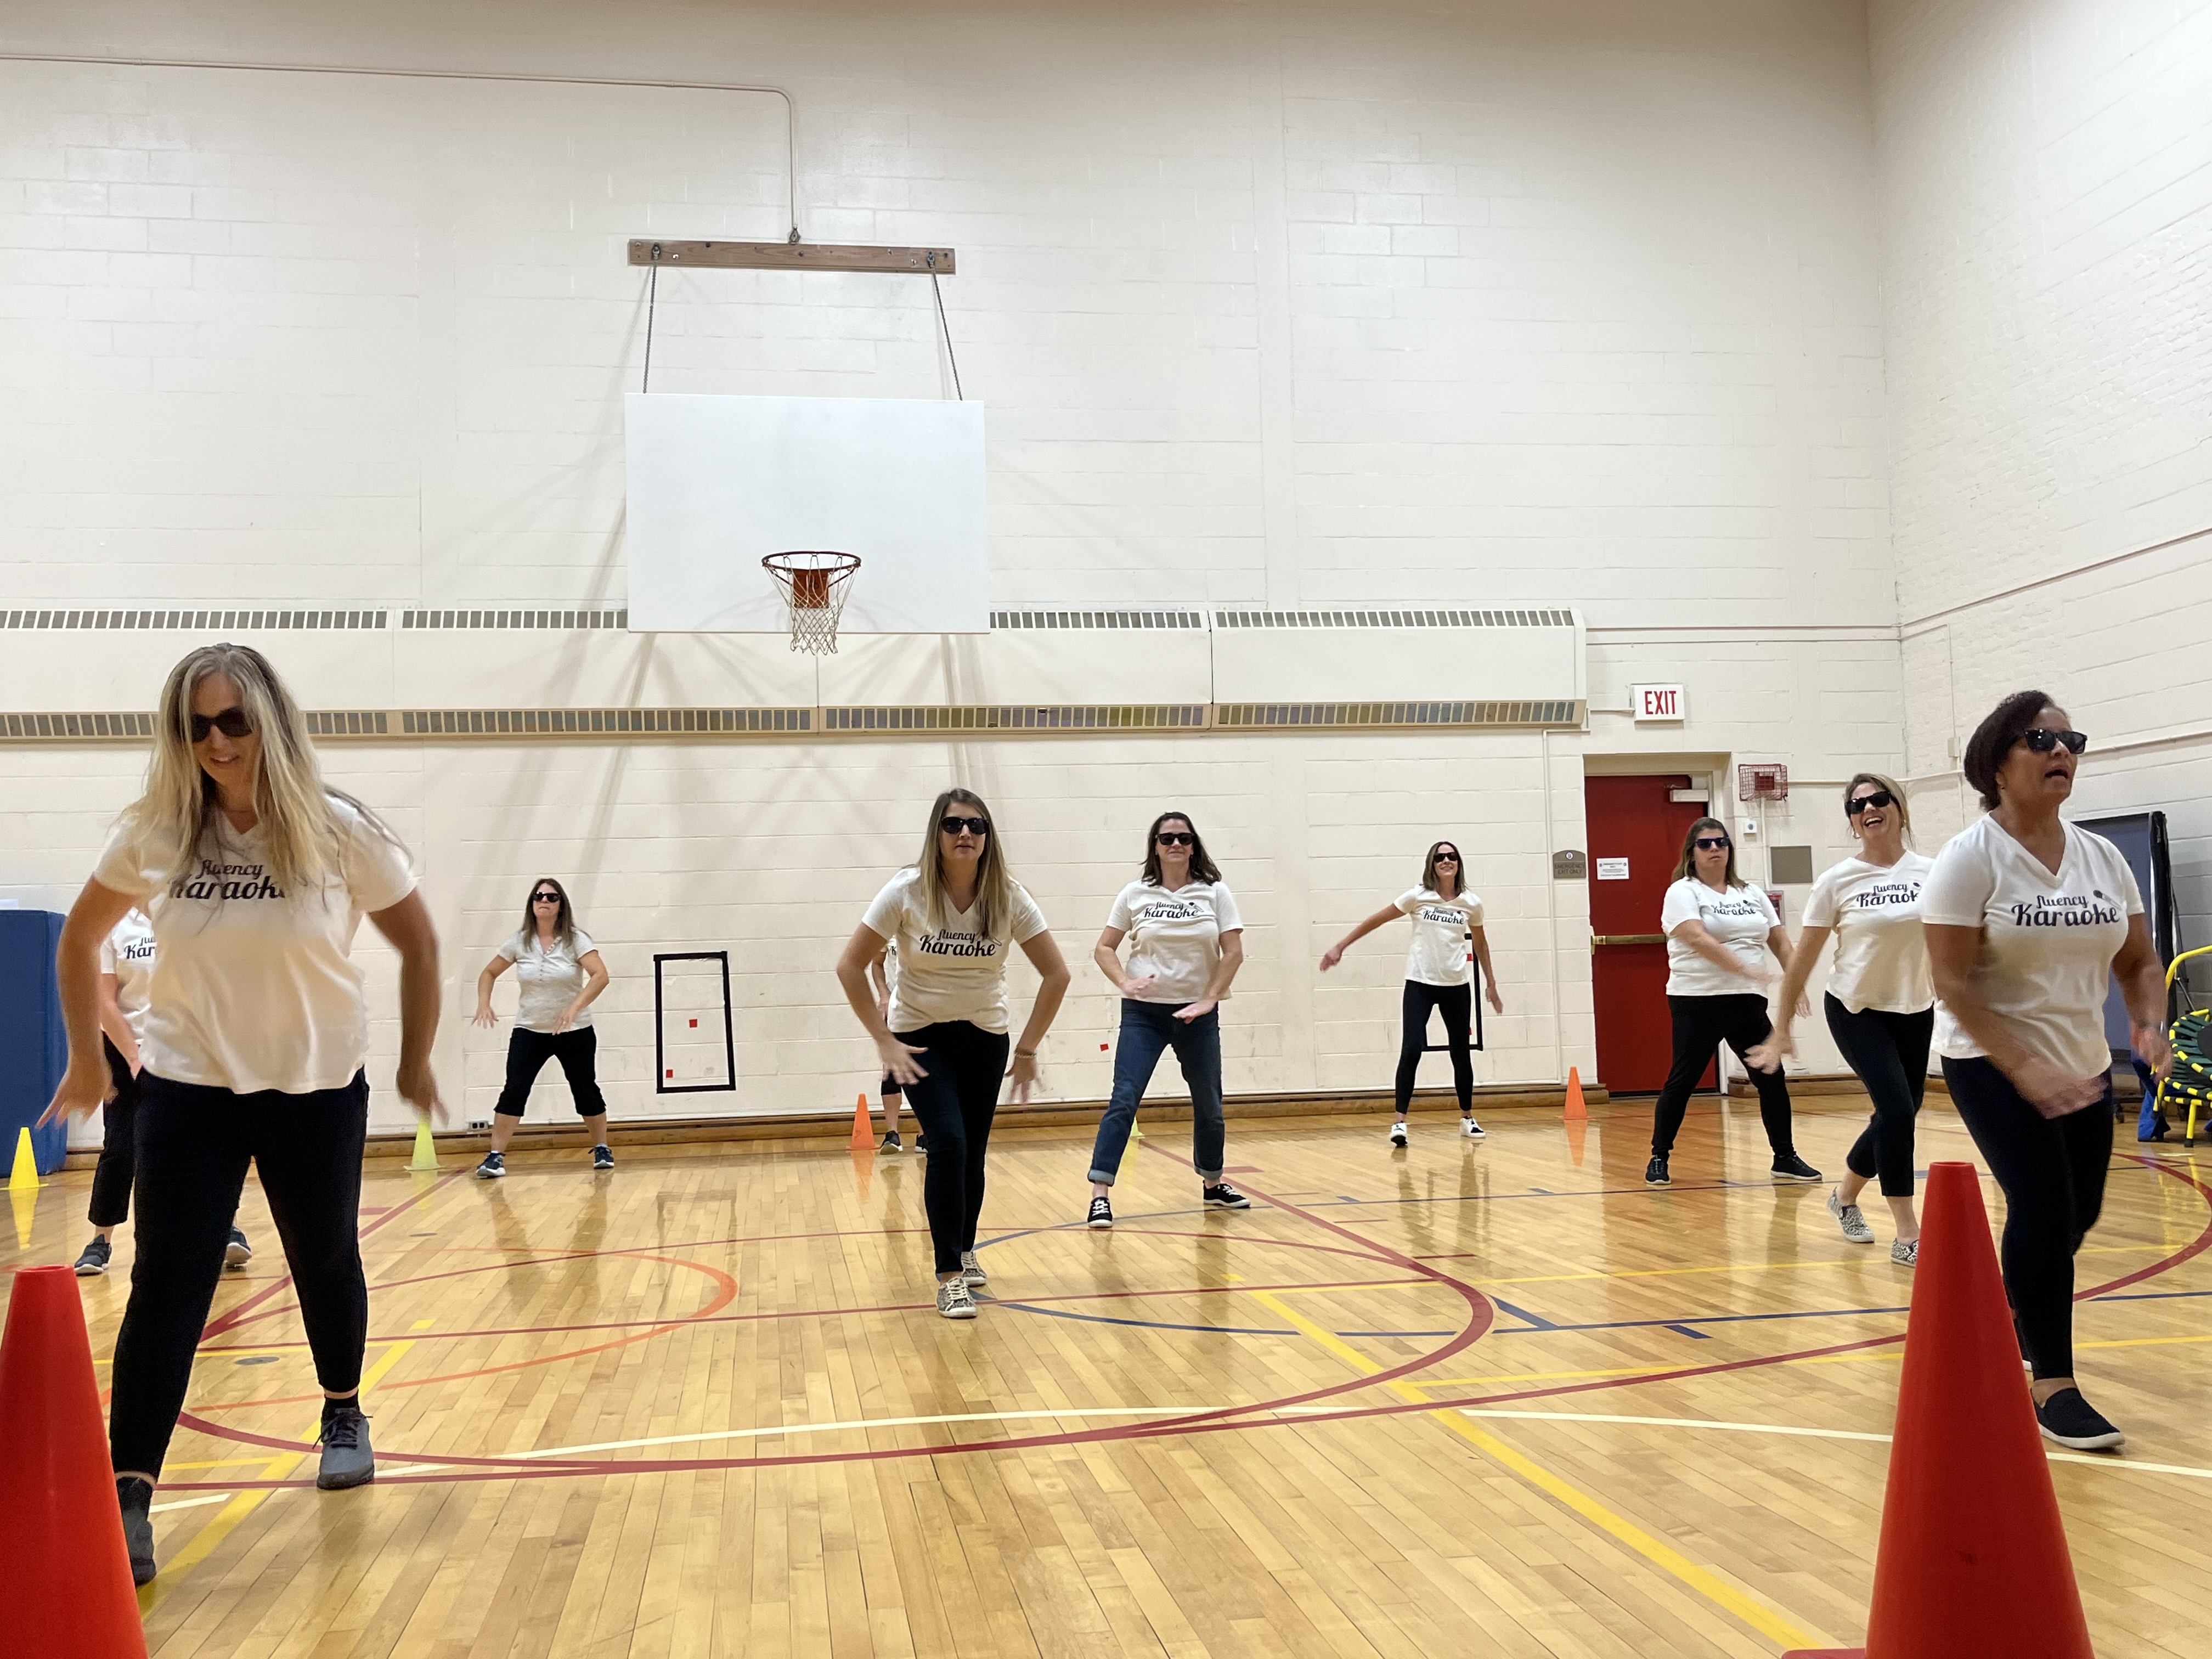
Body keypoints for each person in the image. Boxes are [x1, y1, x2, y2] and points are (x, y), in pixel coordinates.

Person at [39, 643, 444, 1584]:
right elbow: (77, 939)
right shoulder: (158, 831)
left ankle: (342, 1408)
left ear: (269, 717)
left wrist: (416, 1056)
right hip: (190, 1086)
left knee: (322, 1254)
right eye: (196, 724)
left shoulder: (338, 829)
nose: (216, 740)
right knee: (168, 1281)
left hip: (312, 1083)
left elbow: (419, 941)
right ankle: (129, 1489)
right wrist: (82, 1058)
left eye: (232, 719)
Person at [1922, 690, 2169, 1451]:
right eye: (2042, 740)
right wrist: (2022, 1065)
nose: (2063, 753)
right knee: (2042, 1205)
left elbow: (2138, 960)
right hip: (1990, 1063)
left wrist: (2149, 1024)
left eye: (2072, 742)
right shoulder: (1970, 859)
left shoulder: (2103, 858)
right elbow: (1952, 982)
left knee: (2078, 1215)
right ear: (1998, 762)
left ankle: (2003, 1323)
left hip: (2082, 1066)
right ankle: (2051, 1381)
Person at [834, 789, 1070, 1317]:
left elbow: (1058, 973)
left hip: (986, 1036)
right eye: (953, 825)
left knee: (973, 1150)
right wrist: (883, 1039)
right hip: (922, 1038)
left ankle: (965, 1247)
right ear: (936, 835)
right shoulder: (906, 891)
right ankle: (949, 1275)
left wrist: (1028, 1047)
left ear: (988, 838)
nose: (965, 834)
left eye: (977, 826)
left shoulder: (1008, 897)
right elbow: (850, 965)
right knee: (948, 1145)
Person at [1751, 775, 1933, 1263]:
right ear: (1853, 822)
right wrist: (1781, 1028)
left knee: (1900, 1112)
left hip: (1916, 1008)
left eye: (1877, 800)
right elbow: (1803, 960)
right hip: (1856, 1008)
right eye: (1857, 806)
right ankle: (1908, 1233)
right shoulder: (1837, 881)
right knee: (1897, 1112)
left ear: (1898, 807)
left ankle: (1844, 1196)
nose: (1868, 809)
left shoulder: (1934, 872)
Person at [1085, 812, 1250, 1228]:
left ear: (1193, 845)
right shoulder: (1135, 893)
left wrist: (1210, 1000)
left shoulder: (1214, 892)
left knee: (1209, 1105)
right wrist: (1125, 981)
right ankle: (1100, 1193)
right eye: (1167, 838)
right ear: (1155, 846)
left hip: (1197, 1013)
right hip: (1145, 1016)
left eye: (1183, 837)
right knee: (1125, 1097)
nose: (1175, 844)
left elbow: (1233, 953)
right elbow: (1104, 948)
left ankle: (1213, 1185)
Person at [72, 908, 255, 1277]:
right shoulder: (113, 922)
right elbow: (104, 1000)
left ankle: (225, 1227)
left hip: (187, 1048)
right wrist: (134, 1058)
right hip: (128, 1051)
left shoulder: (189, 910)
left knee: (209, 1144)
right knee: (122, 1148)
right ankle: (100, 1241)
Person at [1645, 816, 1819, 1188]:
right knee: (1684, 1079)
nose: (1715, 849)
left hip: (1747, 1004)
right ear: (1692, 853)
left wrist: (1795, 982)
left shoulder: (1751, 893)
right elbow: (1697, 938)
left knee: (1771, 1077)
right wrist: (1744, 968)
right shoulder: (1683, 892)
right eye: (1706, 844)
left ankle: (1784, 1157)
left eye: (1721, 843)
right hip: (1698, 1001)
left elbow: (1780, 943)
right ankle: (1660, 1156)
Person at [1318, 839, 1504, 1145]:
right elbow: (1376, 920)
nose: (1446, 861)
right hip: (1420, 983)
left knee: (1461, 1053)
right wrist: (1341, 946)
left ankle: (1467, 1117)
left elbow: (1481, 943)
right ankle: (1400, 1122)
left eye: (1452, 857)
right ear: (1432, 864)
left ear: (1459, 863)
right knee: (1412, 1049)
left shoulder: (1471, 903)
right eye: (1440, 857)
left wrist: (1491, 982)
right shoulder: (1418, 896)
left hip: (1456, 986)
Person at [471, 878, 613, 1176]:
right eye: (539, 897)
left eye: (551, 897)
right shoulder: (520, 941)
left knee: (585, 1088)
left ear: (561, 905)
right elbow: (489, 972)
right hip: (530, 1030)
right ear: (532, 904)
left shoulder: (576, 939)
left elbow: (600, 975)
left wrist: (574, 1008)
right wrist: (484, 1003)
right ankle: (495, 1156)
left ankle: (602, 1147)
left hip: (574, 1032)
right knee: (514, 1090)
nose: (544, 901)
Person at [868, 940, 922, 1153]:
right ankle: (892, 1135)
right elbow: (876, 963)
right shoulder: (889, 924)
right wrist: (884, 995)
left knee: (924, 1069)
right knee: (891, 1069)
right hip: (894, 1009)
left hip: (924, 1009)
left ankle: (924, 1134)